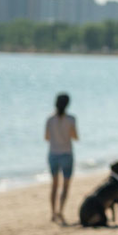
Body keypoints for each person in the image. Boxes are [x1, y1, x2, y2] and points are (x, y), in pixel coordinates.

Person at [45, 93, 78, 224]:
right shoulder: (71, 119)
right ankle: (61, 211)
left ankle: (53, 213)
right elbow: (75, 136)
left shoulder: (50, 119)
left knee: (54, 185)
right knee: (65, 185)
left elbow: (46, 137)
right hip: (66, 153)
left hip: (53, 154)